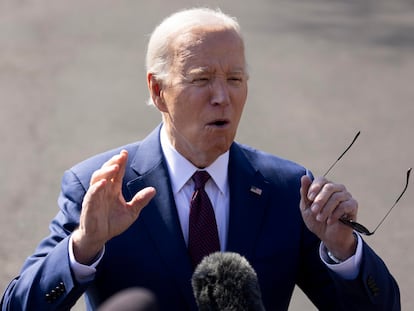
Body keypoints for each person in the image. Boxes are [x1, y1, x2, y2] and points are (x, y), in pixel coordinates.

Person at [1, 7, 400, 311]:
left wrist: (344, 251)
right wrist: (83, 247)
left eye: (235, 79)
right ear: (158, 92)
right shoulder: (100, 187)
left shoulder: (286, 190)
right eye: (201, 79)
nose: (222, 97)